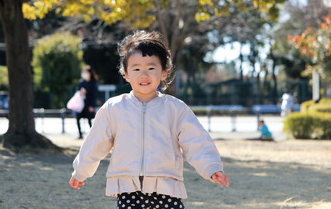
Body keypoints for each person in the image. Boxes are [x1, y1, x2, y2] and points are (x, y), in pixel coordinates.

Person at [69, 31, 229, 208]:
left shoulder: (175, 109)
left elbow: (196, 140)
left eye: (151, 68)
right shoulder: (114, 108)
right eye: (136, 69)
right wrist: (80, 171)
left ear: (163, 73)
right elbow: (95, 143)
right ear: (126, 75)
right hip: (128, 187)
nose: (143, 74)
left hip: (167, 186)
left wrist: (212, 167)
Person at [76, 65, 98, 139]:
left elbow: (94, 96)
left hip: (89, 105)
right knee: (78, 118)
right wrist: (81, 93)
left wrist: (92, 106)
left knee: (89, 120)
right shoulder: (81, 82)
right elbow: (78, 93)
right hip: (81, 105)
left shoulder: (93, 83)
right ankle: (80, 134)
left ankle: (92, 135)